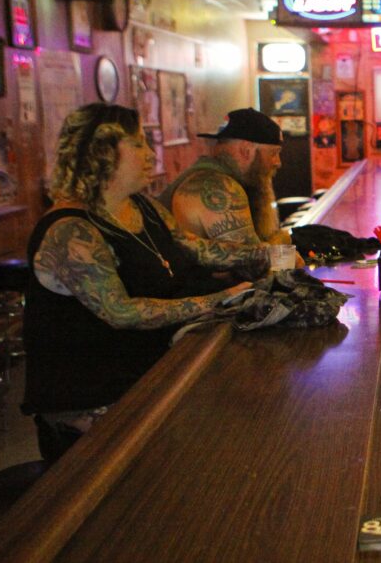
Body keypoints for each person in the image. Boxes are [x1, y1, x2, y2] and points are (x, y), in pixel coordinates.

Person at [24, 104, 267, 462]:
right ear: (102, 153)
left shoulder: (141, 207)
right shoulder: (70, 230)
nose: (150, 154)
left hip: (148, 377)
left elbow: (195, 249)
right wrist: (221, 300)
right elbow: (121, 312)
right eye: (138, 144)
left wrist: (270, 256)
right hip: (90, 406)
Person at [160, 108, 290, 248]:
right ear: (246, 150)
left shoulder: (220, 175)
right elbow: (250, 264)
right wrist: (283, 241)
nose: (278, 162)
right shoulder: (217, 185)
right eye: (273, 153)